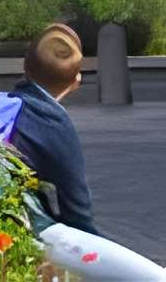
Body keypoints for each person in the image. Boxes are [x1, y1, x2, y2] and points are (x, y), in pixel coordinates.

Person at [10, 24, 166, 281]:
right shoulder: (52, 125)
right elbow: (78, 216)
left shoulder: (2, 106)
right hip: (28, 232)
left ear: (25, 69)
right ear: (76, 81)